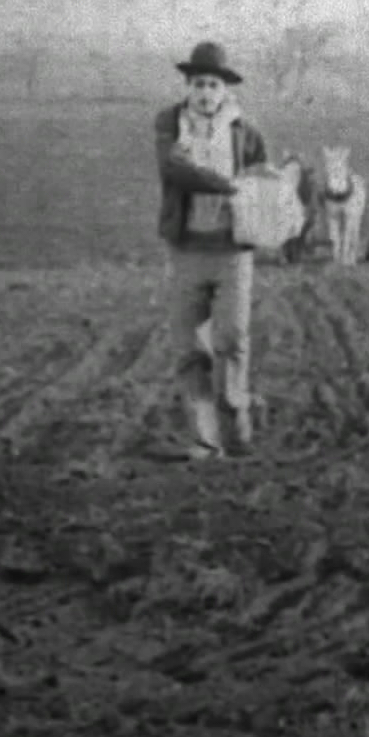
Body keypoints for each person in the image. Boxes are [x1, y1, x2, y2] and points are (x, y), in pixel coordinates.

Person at [154, 41, 269, 459]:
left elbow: (261, 182)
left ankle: (237, 423)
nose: (206, 93)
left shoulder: (246, 132)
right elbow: (174, 169)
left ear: (225, 91)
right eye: (199, 84)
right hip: (186, 250)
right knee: (189, 348)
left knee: (232, 338)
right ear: (188, 86)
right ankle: (205, 437)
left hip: (233, 252)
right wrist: (226, 184)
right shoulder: (170, 123)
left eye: (213, 85)